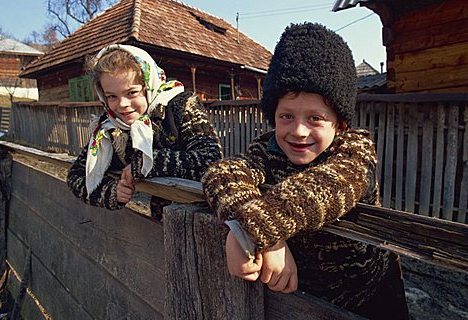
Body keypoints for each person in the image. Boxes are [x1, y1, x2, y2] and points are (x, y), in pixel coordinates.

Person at [201, 23, 409, 319]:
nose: (299, 131)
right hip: (300, 299)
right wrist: (260, 235)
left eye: (315, 118)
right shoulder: (267, 150)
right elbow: (221, 174)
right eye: (287, 116)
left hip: (369, 297)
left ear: (340, 123)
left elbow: (325, 187)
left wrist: (250, 231)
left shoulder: (354, 154)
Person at [67, 44, 222, 217]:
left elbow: (211, 160)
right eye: (112, 96)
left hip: (205, 216)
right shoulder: (109, 128)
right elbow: (75, 176)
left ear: (148, 85)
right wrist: (110, 193)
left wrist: (147, 163)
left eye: (132, 92)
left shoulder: (181, 106)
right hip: (160, 220)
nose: (122, 104)